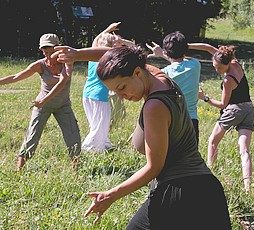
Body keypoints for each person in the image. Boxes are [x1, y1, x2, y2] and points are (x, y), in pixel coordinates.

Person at [53, 45, 231, 229]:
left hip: (179, 193)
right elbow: (122, 54)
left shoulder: (154, 107)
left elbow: (154, 167)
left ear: (137, 73)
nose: (122, 96)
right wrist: (78, 55)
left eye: (122, 87)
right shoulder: (161, 78)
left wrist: (111, 195)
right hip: (207, 190)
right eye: (116, 92)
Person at [0, 33, 81, 170]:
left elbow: (63, 82)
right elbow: (16, 76)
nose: (48, 56)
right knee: (32, 136)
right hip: (42, 106)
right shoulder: (40, 65)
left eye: (51, 52)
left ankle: (77, 171)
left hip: (62, 105)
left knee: (73, 136)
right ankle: (19, 170)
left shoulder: (67, 61)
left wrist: (44, 100)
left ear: (58, 49)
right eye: (45, 52)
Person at [189, 43, 254, 193]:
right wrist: (187, 46)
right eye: (214, 66)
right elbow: (208, 48)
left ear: (226, 64)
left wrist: (204, 97)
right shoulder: (234, 62)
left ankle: (207, 177)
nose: (216, 70)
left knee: (212, 142)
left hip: (234, 110)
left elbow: (222, 105)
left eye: (219, 68)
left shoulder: (228, 80)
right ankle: (248, 187)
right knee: (244, 150)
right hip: (249, 109)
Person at [82, 22, 133, 152]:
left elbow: (95, 40)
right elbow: (133, 47)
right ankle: (88, 148)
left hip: (87, 95)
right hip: (99, 95)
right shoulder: (109, 59)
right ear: (113, 46)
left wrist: (108, 29)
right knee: (101, 125)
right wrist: (122, 41)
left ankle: (105, 144)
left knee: (96, 123)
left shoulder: (93, 54)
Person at [146, 31, 201, 144]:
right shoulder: (196, 65)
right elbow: (180, 61)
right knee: (191, 157)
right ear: (186, 49)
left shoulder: (164, 74)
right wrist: (164, 53)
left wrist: (161, 53)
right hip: (192, 120)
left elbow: (174, 63)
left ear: (166, 51)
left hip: (173, 120)